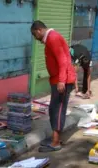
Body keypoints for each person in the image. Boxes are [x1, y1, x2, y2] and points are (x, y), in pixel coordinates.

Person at [30, 20, 76, 152]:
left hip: (62, 81)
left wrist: (61, 80)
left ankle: (56, 142)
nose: (35, 38)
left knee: (58, 109)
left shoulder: (53, 38)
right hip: (57, 79)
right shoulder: (51, 38)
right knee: (53, 109)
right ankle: (55, 138)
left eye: (35, 35)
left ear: (39, 30)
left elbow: (63, 60)